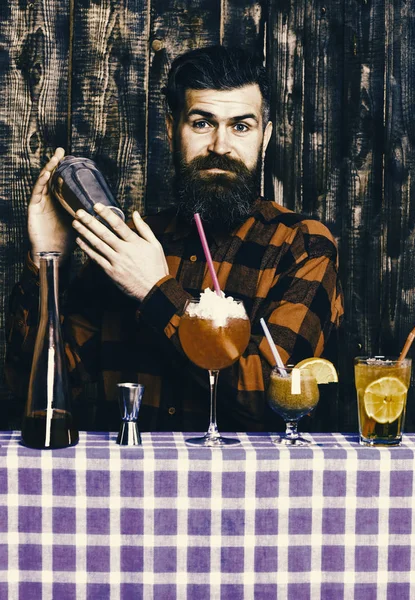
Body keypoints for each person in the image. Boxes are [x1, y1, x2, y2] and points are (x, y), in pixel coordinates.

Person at [5, 46, 344, 432]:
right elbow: (38, 390)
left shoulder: (301, 245)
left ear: (264, 138)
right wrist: (47, 260)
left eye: (241, 126)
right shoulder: (126, 246)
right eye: (202, 123)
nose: (220, 146)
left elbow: (271, 401)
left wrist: (154, 290)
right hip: (124, 484)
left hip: (245, 488)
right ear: (172, 129)